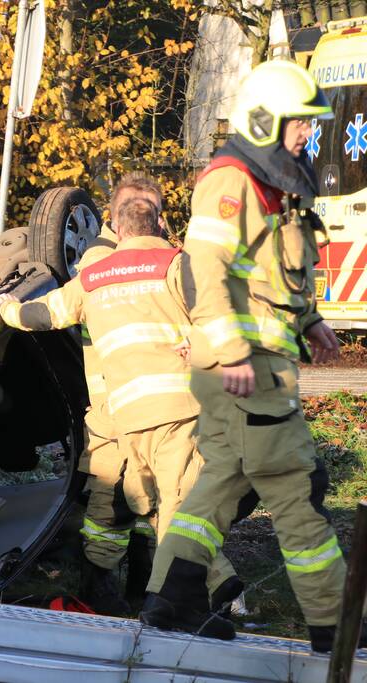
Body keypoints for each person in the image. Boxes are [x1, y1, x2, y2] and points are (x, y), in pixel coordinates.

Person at [139, 60, 352, 650]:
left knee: (224, 481)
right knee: (296, 482)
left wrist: (310, 320)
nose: (309, 136)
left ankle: (171, 600)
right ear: (264, 120)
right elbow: (203, 267)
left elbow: (264, 274)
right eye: (300, 125)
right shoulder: (231, 180)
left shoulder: (267, 185)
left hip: (248, 363)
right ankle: (335, 625)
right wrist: (232, 349)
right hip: (245, 365)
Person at [0, 196, 240, 621]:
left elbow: (45, 313)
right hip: (175, 410)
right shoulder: (175, 264)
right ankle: (203, 593)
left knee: (130, 507)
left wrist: (7, 310)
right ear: (159, 223)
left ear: (114, 226)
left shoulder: (93, 273)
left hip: (120, 416)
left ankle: (159, 592)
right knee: (174, 504)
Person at [73, 172, 164, 616]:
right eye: (134, 207)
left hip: (157, 404)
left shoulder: (167, 258)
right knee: (109, 500)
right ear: (115, 217)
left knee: (155, 497)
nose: (142, 216)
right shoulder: (97, 260)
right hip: (111, 405)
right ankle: (98, 587)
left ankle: (145, 583)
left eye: (150, 208)